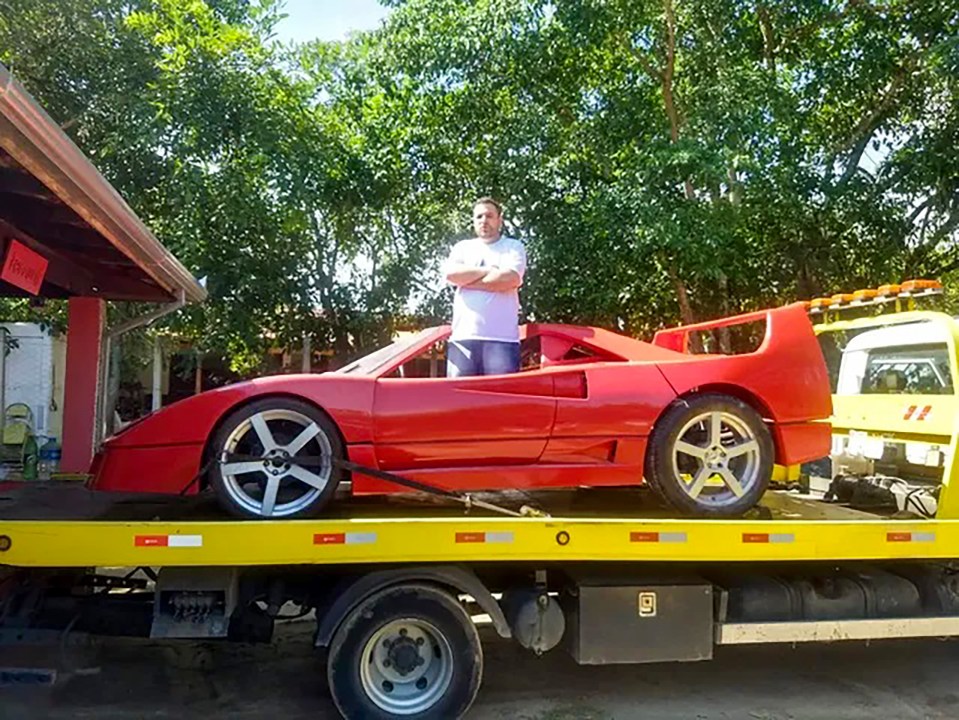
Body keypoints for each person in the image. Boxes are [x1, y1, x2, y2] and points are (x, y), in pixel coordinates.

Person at [443, 197, 527, 377]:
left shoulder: (513, 247)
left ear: (499, 219)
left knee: (500, 401)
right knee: (459, 402)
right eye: (479, 216)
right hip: (463, 339)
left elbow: (510, 279)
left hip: (502, 340)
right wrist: (490, 271)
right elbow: (451, 275)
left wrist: (468, 281)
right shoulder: (462, 248)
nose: (484, 220)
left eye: (489, 216)